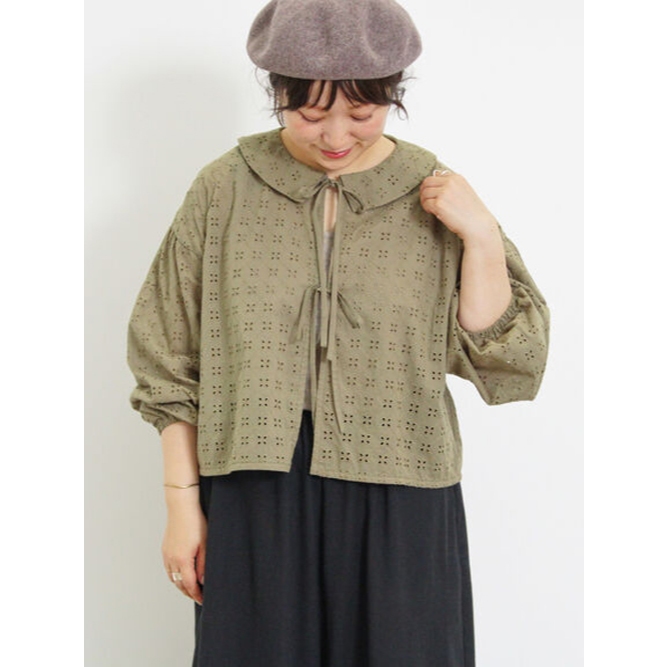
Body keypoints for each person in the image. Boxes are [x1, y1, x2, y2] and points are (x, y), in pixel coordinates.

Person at [127, 0, 550, 665]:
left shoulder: (432, 191)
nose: (334, 135)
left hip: (402, 487)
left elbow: (510, 362)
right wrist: (182, 505)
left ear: (393, 93)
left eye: (361, 112)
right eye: (309, 112)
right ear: (277, 93)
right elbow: (168, 359)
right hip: (255, 486)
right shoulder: (223, 189)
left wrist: (482, 237)